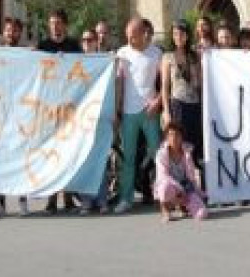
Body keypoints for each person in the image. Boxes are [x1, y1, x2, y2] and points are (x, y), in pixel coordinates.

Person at [114, 17, 163, 214]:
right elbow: (119, 83)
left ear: (144, 34)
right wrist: (117, 110)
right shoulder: (122, 53)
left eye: (133, 37)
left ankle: (162, 194)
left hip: (149, 110)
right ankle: (126, 198)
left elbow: (166, 81)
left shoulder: (156, 53)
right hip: (128, 112)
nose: (130, 41)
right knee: (128, 157)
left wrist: (158, 100)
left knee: (158, 153)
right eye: (128, 37)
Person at [37, 10, 82, 214]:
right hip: (48, 109)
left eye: (58, 23)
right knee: (51, 154)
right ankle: (51, 199)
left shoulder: (74, 46)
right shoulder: (43, 46)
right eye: (52, 23)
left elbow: (84, 70)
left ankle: (69, 198)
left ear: (65, 25)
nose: (54, 27)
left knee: (69, 152)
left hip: (69, 108)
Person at [0, 17, 31, 218]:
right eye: (7, 30)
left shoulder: (26, 54)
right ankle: (0, 203)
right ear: (3, 33)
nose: (10, 34)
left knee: (21, 159)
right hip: (1, 115)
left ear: (19, 33)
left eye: (14, 31)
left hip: (21, 114)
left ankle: (23, 201)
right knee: (1, 159)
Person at [161, 21, 202, 163]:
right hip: (177, 105)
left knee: (194, 144)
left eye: (181, 34)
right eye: (175, 34)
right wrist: (166, 111)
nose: (178, 37)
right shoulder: (167, 57)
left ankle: (193, 179)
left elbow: (200, 83)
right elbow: (165, 87)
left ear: (187, 35)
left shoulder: (195, 56)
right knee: (177, 144)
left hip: (194, 105)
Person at [78, 28, 109, 215]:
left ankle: (102, 199)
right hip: (82, 118)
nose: (88, 43)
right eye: (85, 40)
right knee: (83, 160)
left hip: (101, 116)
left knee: (101, 160)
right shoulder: (77, 62)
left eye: (91, 39)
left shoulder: (104, 60)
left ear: (96, 41)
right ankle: (86, 201)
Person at [154, 122, 207, 222]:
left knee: (202, 214)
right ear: (166, 138)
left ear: (181, 137)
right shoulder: (160, 154)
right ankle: (165, 211)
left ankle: (184, 206)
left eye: (177, 135)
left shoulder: (187, 152)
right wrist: (179, 190)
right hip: (169, 185)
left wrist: (196, 192)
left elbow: (191, 177)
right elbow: (163, 176)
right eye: (170, 135)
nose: (174, 138)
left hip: (186, 187)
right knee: (165, 188)